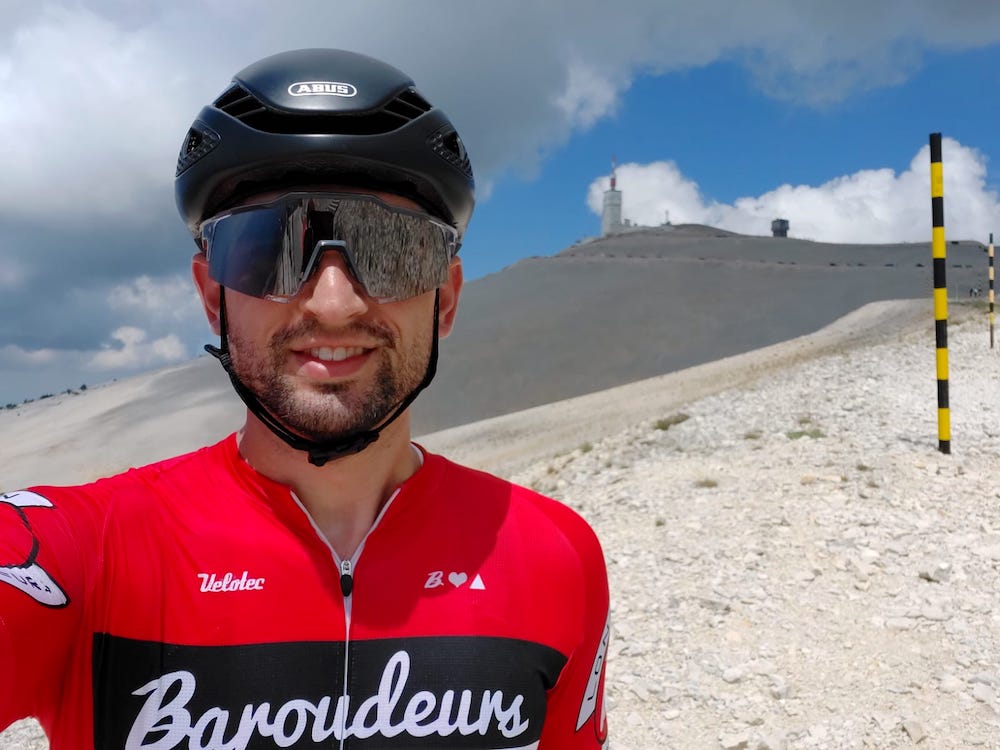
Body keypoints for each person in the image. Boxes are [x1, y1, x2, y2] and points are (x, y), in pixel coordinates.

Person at [0, 49, 610, 749]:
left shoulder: (556, 555)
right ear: (212, 297)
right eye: (270, 247)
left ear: (445, 299)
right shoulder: (74, 553)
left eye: (392, 250)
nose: (334, 303)